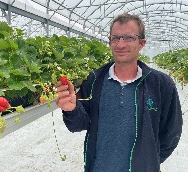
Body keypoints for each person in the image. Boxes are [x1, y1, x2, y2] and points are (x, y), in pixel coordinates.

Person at [55, 13, 183, 172]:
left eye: (129, 38)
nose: (120, 44)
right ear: (109, 42)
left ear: (142, 43)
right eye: (115, 38)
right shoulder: (94, 79)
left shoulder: (161, 84)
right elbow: (79, 124)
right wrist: (71, 110)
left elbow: (171, 134)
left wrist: (149, 160)